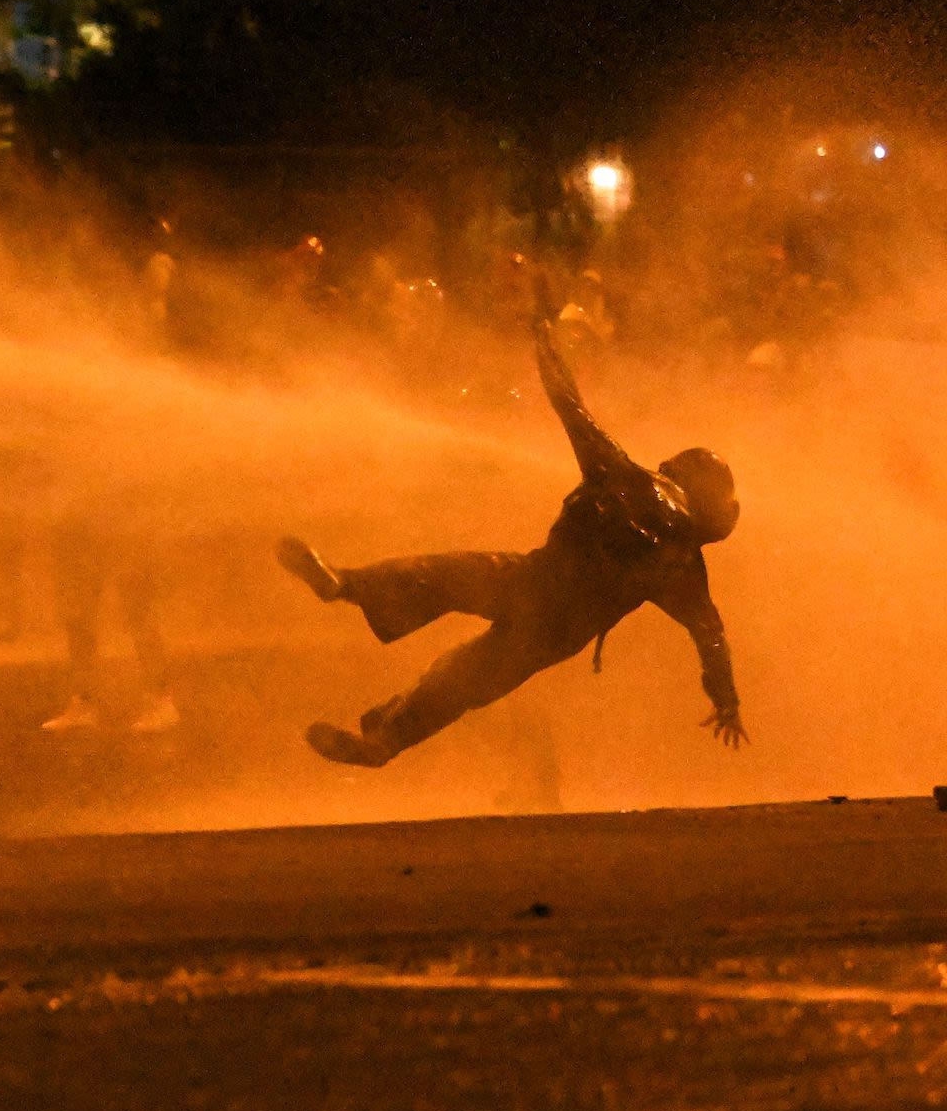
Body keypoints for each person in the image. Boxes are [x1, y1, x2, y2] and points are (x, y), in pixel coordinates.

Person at [281, 293, 747, 768]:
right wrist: (727, 703)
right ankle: (383, 742)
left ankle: (344, 585)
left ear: (679, 470)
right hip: (557, 631)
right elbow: (710, 636)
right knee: (464, 680)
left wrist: (545, 343)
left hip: (527, 581)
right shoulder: (685, 562)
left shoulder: (624, 473)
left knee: (435, 576)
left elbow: (570, 406)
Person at [39, 494, 178, 735]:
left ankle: (160, 699)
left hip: (123, 513)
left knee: (137, 609)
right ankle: (84, 702)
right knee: (79, 612)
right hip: (86, 515)